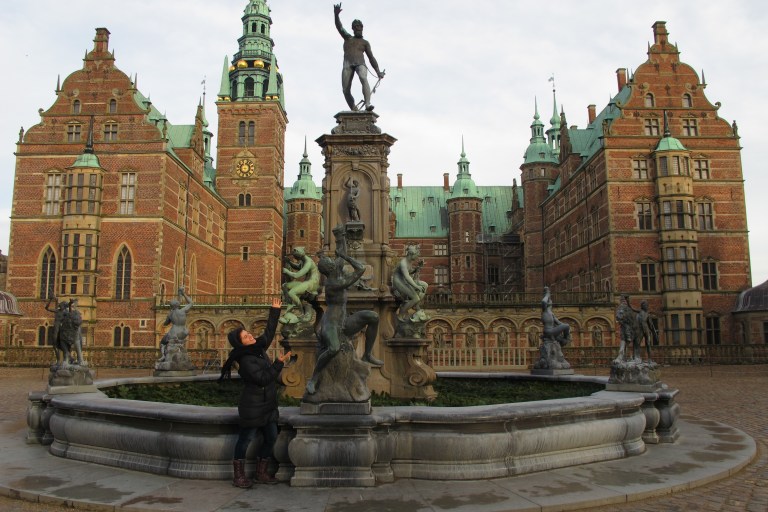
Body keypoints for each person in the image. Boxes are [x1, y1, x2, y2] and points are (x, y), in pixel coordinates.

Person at [219, 298, 292, 488]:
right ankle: (239, 476)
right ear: (240, 343)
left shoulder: (257, 350)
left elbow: (267, 335)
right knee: (245, 440)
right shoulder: (245, 359)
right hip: (253, 406)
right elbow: (262, 379)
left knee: (271, 438)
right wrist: (279, 363)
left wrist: (275, 311)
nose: (251, 336)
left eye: (249, 334)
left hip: (267, 405)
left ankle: (261, 473)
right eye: (246, 336)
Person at [334, 3, 385, 111]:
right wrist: (336, 15)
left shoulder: (365, 43)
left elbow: (371, 58)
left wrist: (378, 72)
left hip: (360, 63)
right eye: (356, 27)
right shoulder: (348, 38)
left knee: (363, 78)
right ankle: (354, 109)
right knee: (345, 90)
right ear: (353, 29)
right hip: (347, 64)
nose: (358, 28)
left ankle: (367, 104)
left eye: (360, 27)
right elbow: (339, 27)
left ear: (362, 28)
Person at [282, 247, 321, 317]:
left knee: (291, 292)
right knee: (285, 286)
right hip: (307, 282)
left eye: (295, 256)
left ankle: (301, 312)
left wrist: (287, 271)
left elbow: (297, 275)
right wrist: (289, 262)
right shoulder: (303, 260)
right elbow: (298, 267)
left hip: (312, 284)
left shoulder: (308, 262)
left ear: (299, 254)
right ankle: (290, 305)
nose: (295, 258)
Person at [392, 245, 428, 321]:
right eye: (416, 255)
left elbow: (410, 271)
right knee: (415, 298)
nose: (417, 258)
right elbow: (407, 276)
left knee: (425, 285)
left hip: (404, 281)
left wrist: (418, 267)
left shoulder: (409, 262)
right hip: (398, 281)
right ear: (411, 254)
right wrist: (416, 286)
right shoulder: (403, 263)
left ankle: (415, 305)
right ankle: (400, 315)